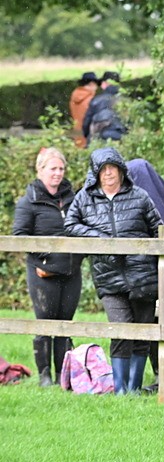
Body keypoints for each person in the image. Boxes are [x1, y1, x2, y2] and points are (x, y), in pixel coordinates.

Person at [64, 147, 161, 394]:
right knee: (119, 329)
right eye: (103, 169)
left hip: (142, 275)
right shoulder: (85, 198)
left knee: (142, 333)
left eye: (113, 168)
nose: (108, 174)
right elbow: (70, 225)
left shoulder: (139, 196)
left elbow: (158, 228)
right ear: (95, 173)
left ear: (121, 170)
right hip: (108, 275)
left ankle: (134, 389)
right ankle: (120, 390)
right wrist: (98, 237)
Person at [11, 147, 82, 386]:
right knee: (45, 322)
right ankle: (45, 376)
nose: (58, 173)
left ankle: (64, 374)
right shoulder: (28, 202)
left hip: (71, 271)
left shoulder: (75, 199)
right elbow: (19, 236)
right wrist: (46, 256)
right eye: (53, 168)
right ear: (40, 170)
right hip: (42, 272)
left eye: (61, 168)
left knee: (65, 323)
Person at [81, 71, 126, 146]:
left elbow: (87, 122)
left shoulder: (96, 100)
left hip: (100, 137)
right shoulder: (125, 101)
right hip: (120, 138)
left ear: (104, 84)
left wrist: (86, 136)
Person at [69, 73, 99, 148]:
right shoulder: (91, 100)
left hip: (76, 132)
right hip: (87, 134)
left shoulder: (74, 96)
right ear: (92, 83)